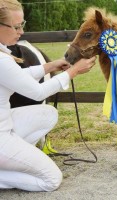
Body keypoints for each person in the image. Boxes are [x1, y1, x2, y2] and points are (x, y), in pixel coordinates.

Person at [0, 0, 96, 192]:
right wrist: (73, 72)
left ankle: (12, 161)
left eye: (22, 25)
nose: (21, 32)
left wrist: (51, 66)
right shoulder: (2, 60)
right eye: (17, 27)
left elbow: (18, 77)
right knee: (52, 179)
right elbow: (38, 92)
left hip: (5, 127)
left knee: (48, 113)